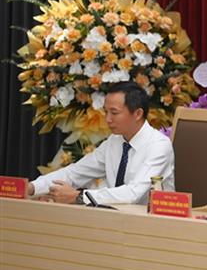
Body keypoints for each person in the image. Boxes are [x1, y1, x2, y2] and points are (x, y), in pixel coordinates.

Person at [28, 81, 174, 205]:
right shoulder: (115, 141)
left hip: (152, 225)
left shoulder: (159, 145)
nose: (108, 119)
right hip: (114, 219)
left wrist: (78, 197)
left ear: (137, 114)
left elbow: (133, 194)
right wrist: (32, 187)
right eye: (106, 112)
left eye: (114, 113)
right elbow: (75, 172)